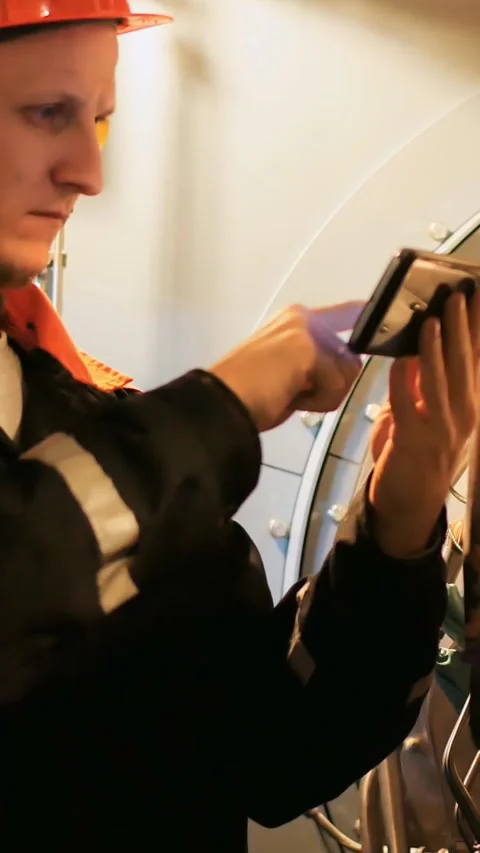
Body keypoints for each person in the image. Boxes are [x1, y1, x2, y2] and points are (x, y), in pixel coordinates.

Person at [0, 3, 477, 851]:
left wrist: (397, 521)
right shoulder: (119, 456)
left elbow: (266, 750)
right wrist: (227, 399)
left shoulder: (79, 407)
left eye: (100, 121)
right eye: (47, 114)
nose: (87, 172)